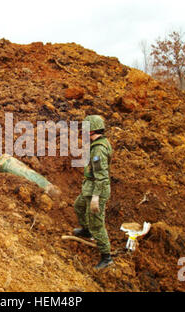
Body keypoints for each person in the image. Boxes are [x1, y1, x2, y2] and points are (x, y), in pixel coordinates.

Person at [73, 115, 114, 269]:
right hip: (89, 187)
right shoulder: (98, 143)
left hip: (97, 190)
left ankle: (106, 257)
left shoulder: (98, 150)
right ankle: (86, 231)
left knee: (97, 224)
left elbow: (102, 177)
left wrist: (96, 197)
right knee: (79, 206)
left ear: (91, 131)